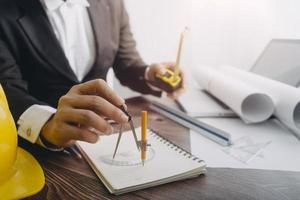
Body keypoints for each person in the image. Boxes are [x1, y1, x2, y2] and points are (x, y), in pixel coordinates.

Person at [0, 0, 185, 149]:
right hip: (38, 151)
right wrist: (47, 125)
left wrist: (149, 74)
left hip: (105, 138)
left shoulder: (113, 3)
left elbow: (126, 62)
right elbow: (8, 91)